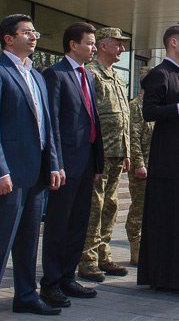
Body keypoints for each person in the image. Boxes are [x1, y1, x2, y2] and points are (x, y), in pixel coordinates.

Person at [0, 15, 62, 320]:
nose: (34, 37)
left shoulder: (37, 76)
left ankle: (25, 295)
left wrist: (55, 164)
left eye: (35, 32)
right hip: (7, 175)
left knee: (28, 241)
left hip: (36, 174)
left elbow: (47, 125)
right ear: (8, 38)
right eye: (27, 32)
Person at [40, 22, 105, 308]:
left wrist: (97, 162)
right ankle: (51, 283)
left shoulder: (87, 77)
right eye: (89, 43)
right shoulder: (56, 74)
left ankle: (68, 277)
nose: (93, 48)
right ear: (72, 45)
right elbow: (52, 123)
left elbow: (92, 120)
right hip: (65, 166)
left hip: (86, 163)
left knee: (79, 223)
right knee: (58, 224)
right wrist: (56, 163)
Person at [138, 25, 179, 296]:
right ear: (173, 42)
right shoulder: (159, 74)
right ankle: (166, 276)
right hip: (168, 158)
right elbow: (149, 112)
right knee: (169, 216)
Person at [79, 27, 131, 281]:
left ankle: (104, 255)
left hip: (118, 152)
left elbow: (125, 117)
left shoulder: (117, 77)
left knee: (110, 205)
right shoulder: (91, 74)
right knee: (94, 206)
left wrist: (128, 150)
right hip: (99, 154)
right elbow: (88, 117)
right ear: (102, 45)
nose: (122, 49)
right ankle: (87, 259)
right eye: (117, 44)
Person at [126, 66, 154, 265]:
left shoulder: (153, 105)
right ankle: (135, 250)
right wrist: (138, 164)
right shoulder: (136, 106)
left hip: (156, 166)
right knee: (139, 209)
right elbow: (133, 137)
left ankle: (148, 248)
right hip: (141, 167)